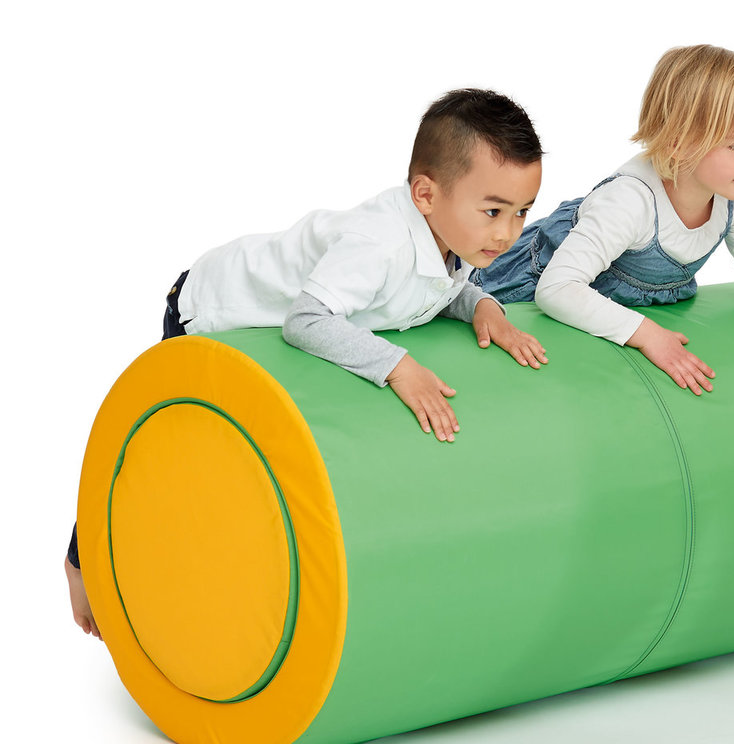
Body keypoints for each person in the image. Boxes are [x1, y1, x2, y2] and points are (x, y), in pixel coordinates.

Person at [65, 88, 548, 639]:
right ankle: (82, 560)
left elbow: (435, 291)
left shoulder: (455, 235)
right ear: (425, 194)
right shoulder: (379, 245)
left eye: (522, 212)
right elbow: (306, 320)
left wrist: (483, 306)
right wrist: (398, 366)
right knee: (159, 450)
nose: (508, 233)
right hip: (212, 307)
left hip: (263, 330)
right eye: (493, 211)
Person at [472, 45, 734, 420]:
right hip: (523, 287)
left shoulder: (732, 200)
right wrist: (649, 335)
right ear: (678, 143)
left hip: (608, 303)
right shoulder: (631, 202)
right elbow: (557, 288)